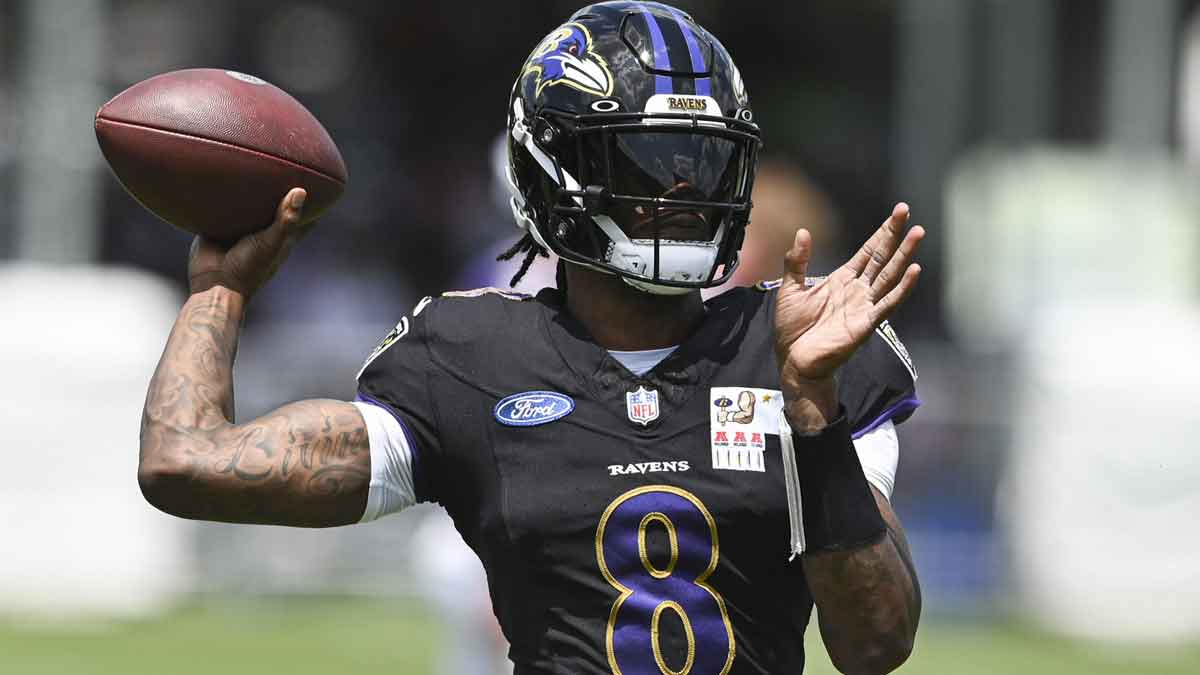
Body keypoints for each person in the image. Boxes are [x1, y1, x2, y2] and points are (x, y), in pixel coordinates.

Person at [138, 2, 924, 673]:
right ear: (555, 171)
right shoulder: (471, 357)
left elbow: (876, 644)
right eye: (649, 160)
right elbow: (183, 461)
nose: (685, 190)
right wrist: (221, 290)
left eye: (705, 162)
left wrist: (812, 418)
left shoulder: (799, 350)